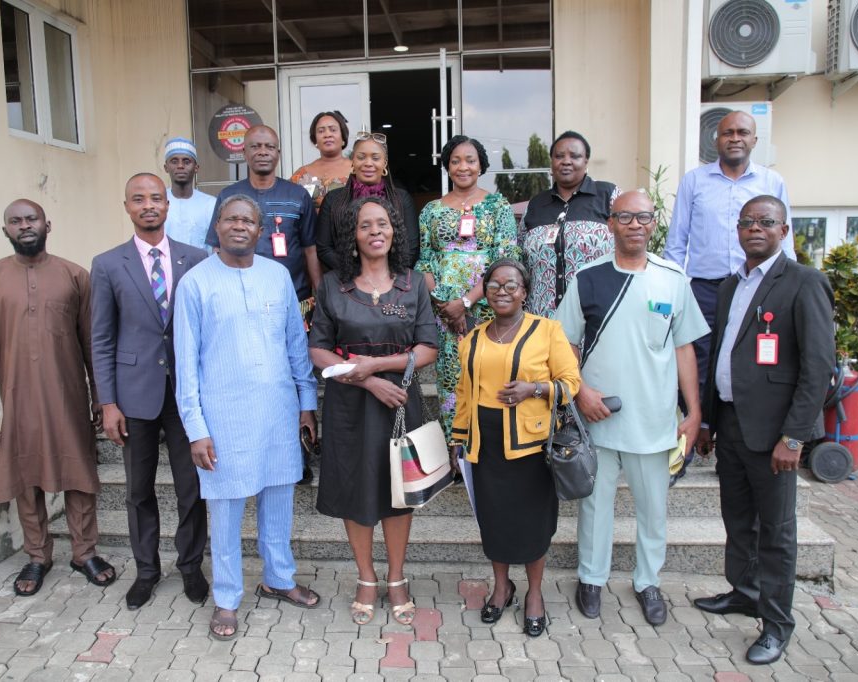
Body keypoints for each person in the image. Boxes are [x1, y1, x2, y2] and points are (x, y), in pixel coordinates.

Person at [554, 190, 708, 627]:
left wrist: (693, 413)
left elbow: (684, 349)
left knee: (652, 508)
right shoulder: (588, 277)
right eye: (626, 217)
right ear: (611, 223)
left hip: (654, 419)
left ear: (653, 222)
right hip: (597, 418)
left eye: (643, 217)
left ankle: (647, 581)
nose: (635, 224)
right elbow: (562, 344)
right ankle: (591, 577)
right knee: (595, 506)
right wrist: (581, 392)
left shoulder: (672, 278)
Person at [693, 195, 834, 665]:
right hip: (731, 424)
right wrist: (709, 420)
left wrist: (795, 437)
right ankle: (744, 592)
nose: (756, 228)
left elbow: (818, 368)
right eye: (747, 222)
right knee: (737, 521)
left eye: (766, 222)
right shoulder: (733, 285)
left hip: (775, 434)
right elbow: (722, 356)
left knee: (776, 531)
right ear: (737, 230)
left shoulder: (803, 282)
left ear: (784, 230)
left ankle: (775, 625)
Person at [175, 194, 322, 640]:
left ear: (260, 232)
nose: (240, 226)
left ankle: (278, 579)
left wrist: (307, 404)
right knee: (225, 513)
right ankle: (226, 598)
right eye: (231, 219)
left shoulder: (277, 277)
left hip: (277, 413)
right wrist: (196, 430)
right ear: (217, 226)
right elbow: (186, 364)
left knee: (278, 504)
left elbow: (297, 346)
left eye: (248, 221)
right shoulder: (195, 283)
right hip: (224, 418)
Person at [0, 199, 116, 596]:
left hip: (68, 395)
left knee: (80, 476)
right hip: (17, 398)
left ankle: (84, 552)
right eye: (15, 221)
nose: (24, 226)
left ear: (47, 224)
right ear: (5, 232)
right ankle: (37, 555)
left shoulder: (74, 275)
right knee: (24, 477)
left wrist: (100, 396)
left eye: (31, 218)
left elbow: (92, 342)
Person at [309, 196, 438, 627]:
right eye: (366, 225)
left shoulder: (414, 283)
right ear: (354, 235)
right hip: (349, 405)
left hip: (400, 404)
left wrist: (380, 367)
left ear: (394, 231)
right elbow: (318, 350)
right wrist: (365, 380)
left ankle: (397, 578)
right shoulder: (332, 286)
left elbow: (427, 348)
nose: (375, 231)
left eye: (383, 224)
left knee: (398, 492)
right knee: (355, 490)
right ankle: (366, 578)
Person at [91, 173, 209, 610]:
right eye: (138, 199)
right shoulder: (107, 264)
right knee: (138, 490)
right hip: (134, 395)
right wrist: (107, 402)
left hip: (185, 395)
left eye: (155, 198)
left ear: (167, 205)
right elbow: (101, 338)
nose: (148, 205)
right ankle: (146, 571)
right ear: (126, 207)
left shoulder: (195, 259)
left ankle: (191, 568)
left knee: (190, 488)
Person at [450, 258, 580, 637]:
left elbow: (571, 383)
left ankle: (535, 594)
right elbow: (463, 393)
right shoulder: (473, 338)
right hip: (485, 446)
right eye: (494, 285)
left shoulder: (547, 331)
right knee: (495, 523)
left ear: (524, 292)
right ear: (485, 292)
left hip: (531, 448)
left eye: (511, 285)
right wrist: (458, 440)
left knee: (532, 525)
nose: (502, 291)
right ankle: (502, 588)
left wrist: (533, 389)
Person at [664, 111, 796, 426]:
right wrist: (673, 289)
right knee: (697, 360)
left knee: (751, 360)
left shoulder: (771, 182)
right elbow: (676, 243)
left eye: (742, 132)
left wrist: (789, 288)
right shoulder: (695, 181)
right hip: (705, 291)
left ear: (754, 140)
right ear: (716, 139)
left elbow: (785, 240)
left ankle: (740, 435)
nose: (734, 138)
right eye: (727, 133)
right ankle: (697, 429)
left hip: (758, 288)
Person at [416, 135, 519, 439]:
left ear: (481, 165)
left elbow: (506, 257)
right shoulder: (431, 210)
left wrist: (467, 301)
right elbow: (424, 260)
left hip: (489, 307)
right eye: (456, 160)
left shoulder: (497, 205)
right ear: (447, 166)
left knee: (488, 374)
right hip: (444, 311)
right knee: (450, 378)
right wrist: (445, 305)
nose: (463, 167)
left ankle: (486, 444)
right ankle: (455, 448)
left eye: (470, 160)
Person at [203, 125, 322, 327]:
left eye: (269, 146)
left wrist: (319, 295)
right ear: (244, 152)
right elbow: (216, 248)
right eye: (255, 146)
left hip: (293, 296)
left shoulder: (297, 195)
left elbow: (310, 250)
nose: (263, 152)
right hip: (240, 299)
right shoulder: (228, 196)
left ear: (278, 153)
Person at [520, 131, 620, 318]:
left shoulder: (608, 195)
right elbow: (520, 261)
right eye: (559, 156)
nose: (566, 161)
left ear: (586, 161)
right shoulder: (535, 205)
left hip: (596, 315)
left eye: (575, 156)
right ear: (551, 162)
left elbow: (629, 246)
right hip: (543, 318)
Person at [315, 131, 419, 273]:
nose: (368, 163)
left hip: (393, 282)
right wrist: (358, 274)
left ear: (384, 163)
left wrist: (384, 275)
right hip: (346, 281)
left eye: (375, 158)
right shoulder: (333, 200)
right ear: (353, 162)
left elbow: (411, 248)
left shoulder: (401, 199)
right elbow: (324, 248)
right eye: (361, 157)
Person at [289, 111, 353, 211]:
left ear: (343, 137)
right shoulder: (301, 175)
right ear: (315, 140)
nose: (327, 134)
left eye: (333, 130)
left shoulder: (358, 172)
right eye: (321, 131)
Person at [163, 137, 217, 251]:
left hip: (202, 267)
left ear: (196, 168)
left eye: (186, 161)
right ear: (166, 167)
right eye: (174, 161)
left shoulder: (211, 204)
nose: (180, 166)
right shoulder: (158, 203)